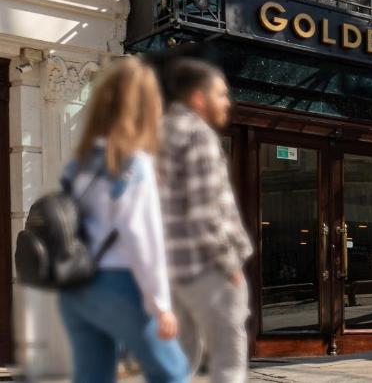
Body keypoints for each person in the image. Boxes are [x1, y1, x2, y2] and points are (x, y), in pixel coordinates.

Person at [58, 56, 189, 383]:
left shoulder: (82, 162)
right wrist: (160, 304)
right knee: (172, 372)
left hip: (74, 289)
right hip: (117, 283)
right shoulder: (134, 162)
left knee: (93, 377)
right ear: (144, 105)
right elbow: (141, 237)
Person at [158, 59, 253, 383]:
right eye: (221, 95)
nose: (227, 103)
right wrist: (229, 265)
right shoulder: (198, 135)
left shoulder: (159, 133)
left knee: (178, 360)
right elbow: (204, 212)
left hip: (170, 269)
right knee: (228, 355)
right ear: (199, 98)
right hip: (204, 269)